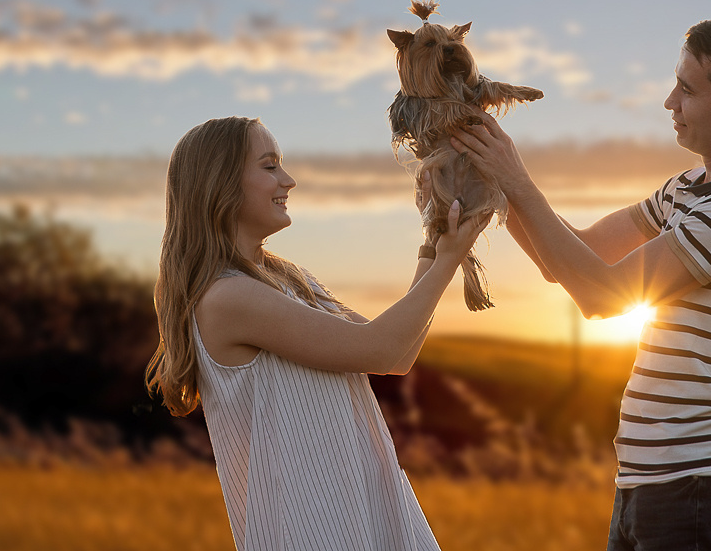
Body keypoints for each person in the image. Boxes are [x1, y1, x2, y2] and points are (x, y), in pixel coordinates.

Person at [451, 15, 711, 551]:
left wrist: (513, 180)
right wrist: (490, 178)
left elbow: (603, 295)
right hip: (652, 483)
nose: (670, 102)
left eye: (687, 90)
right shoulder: (689, 189)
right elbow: (576, 256)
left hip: (701, 487)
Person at [146, 116, 488, 551]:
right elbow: (381, 349)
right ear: (220, 183)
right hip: (312, 531)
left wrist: (434, 246)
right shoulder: (226, 299)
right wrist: (446, 262)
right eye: (269, 166)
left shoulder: (288, 279)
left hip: (363, 516)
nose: (287, 180)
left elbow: (397, 354)